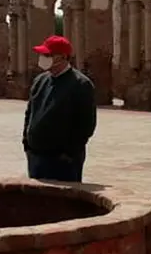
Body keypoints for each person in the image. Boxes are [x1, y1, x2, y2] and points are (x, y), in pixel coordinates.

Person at [22, 35, 97, 182]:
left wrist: (68, 153)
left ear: (62, 57)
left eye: (48, 55)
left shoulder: (80, 84)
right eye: (42, 55)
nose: (43, 58)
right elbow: (30, 113)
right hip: (36, 157)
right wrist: (27, 144)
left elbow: (86, 124)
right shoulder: (40, 81)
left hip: (62, 161)